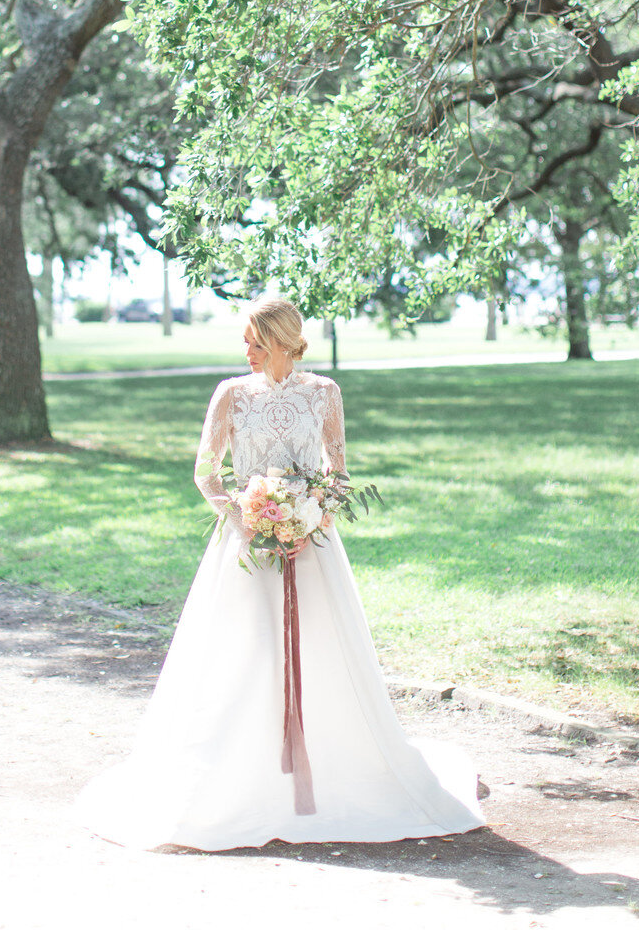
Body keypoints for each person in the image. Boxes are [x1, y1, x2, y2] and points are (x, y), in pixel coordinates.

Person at [75, 295, 484, 850]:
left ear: (282, 342)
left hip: (311, 548)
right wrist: (247, 516)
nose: (246, 351)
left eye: (255, 341)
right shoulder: (232, 395)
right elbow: (206, 473)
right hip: (244, 548)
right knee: (243, 654)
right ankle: (240, 778)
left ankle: (328, 772)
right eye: (246, 341)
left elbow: (338, 474)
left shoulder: (324, 394)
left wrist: (306, 516)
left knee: (319, 653)